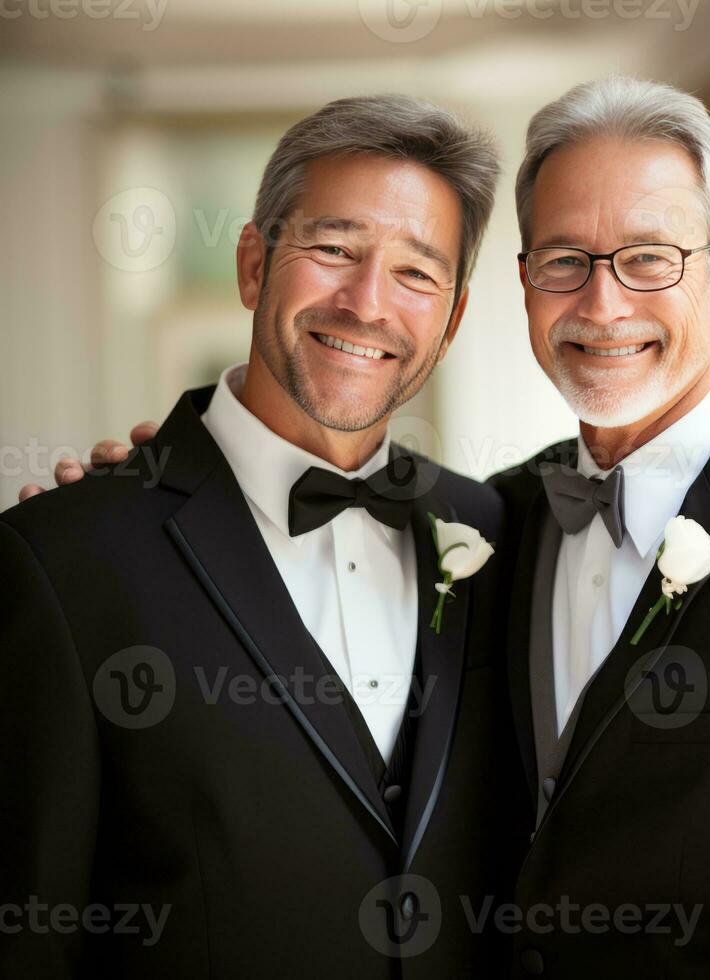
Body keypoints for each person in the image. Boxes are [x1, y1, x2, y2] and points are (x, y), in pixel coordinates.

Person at [21, 77, 710, 977]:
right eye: (565, 261)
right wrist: (118, 506)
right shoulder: (497, 520)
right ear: (253, 262)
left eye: (649, 258)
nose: (603, 304)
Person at [1, 94, 524, 978]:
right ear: (254, 264)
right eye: (334, 249)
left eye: (415, 274)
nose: (366, 303)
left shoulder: (499, 534)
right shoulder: (59, 561)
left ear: (453, 318)